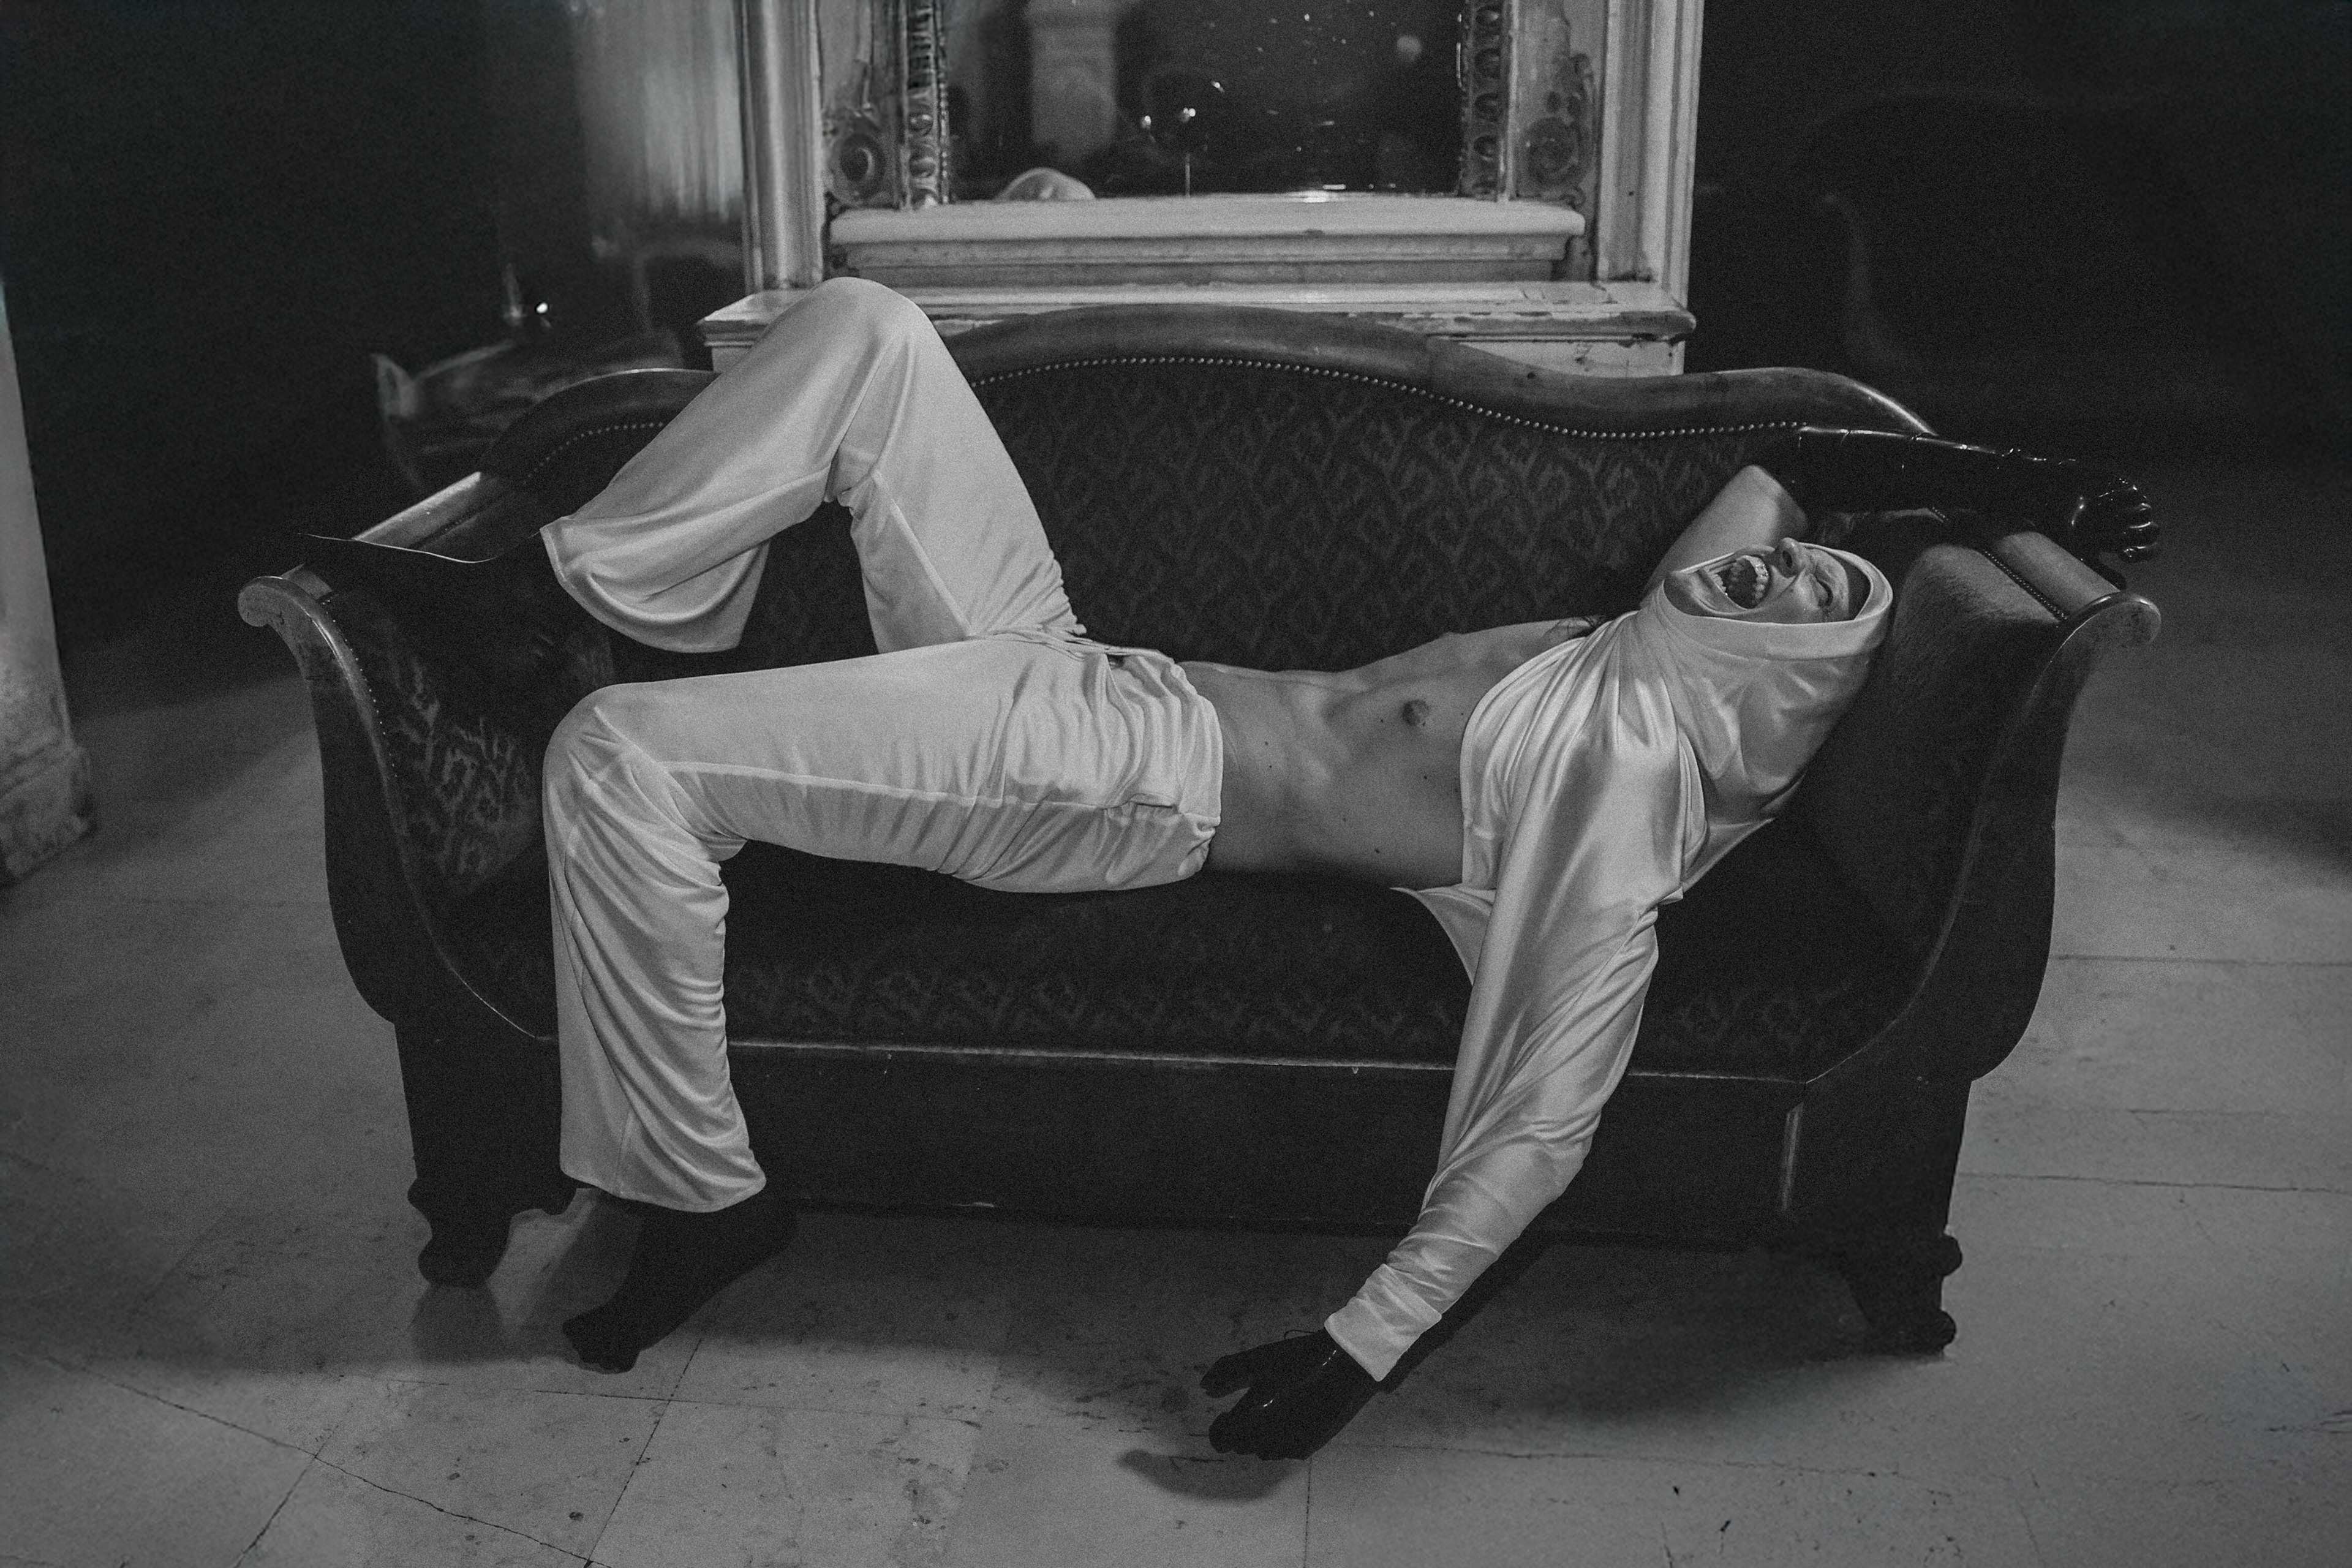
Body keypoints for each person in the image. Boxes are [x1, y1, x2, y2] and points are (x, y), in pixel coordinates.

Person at [317, 278, 2154, 1460]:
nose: (1766, 565)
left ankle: (702, 1196)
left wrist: (1361, 1354)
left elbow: (1543, 1115)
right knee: (866, 327)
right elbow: (1795, 464)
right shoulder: (1667, 633)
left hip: (1111, 785)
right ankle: (557, 589)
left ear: (1785, 683)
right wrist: (2015, 489)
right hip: (1089, 674)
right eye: (1781, 563)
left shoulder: (1629, 786)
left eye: (1800, 593)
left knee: (618, 755)